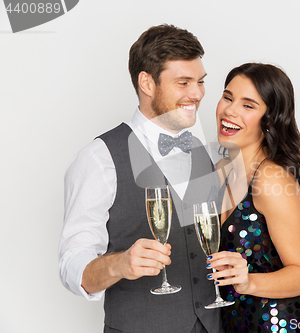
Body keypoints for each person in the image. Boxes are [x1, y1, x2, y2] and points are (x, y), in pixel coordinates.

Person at [58, 24, 223, 333]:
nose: (198, 94)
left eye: (200, 82)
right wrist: (119, 264)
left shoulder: (202, 152)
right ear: (147, 83)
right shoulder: (99, 158)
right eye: (183, 82)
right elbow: (71, 267)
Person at [208, 63, 300, 332]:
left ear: (270, 120)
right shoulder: (219, 171)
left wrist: (250, 282)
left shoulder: (271, 179)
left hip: (278, 326)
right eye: (228, 97)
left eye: (248, 105)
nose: (230, 110)